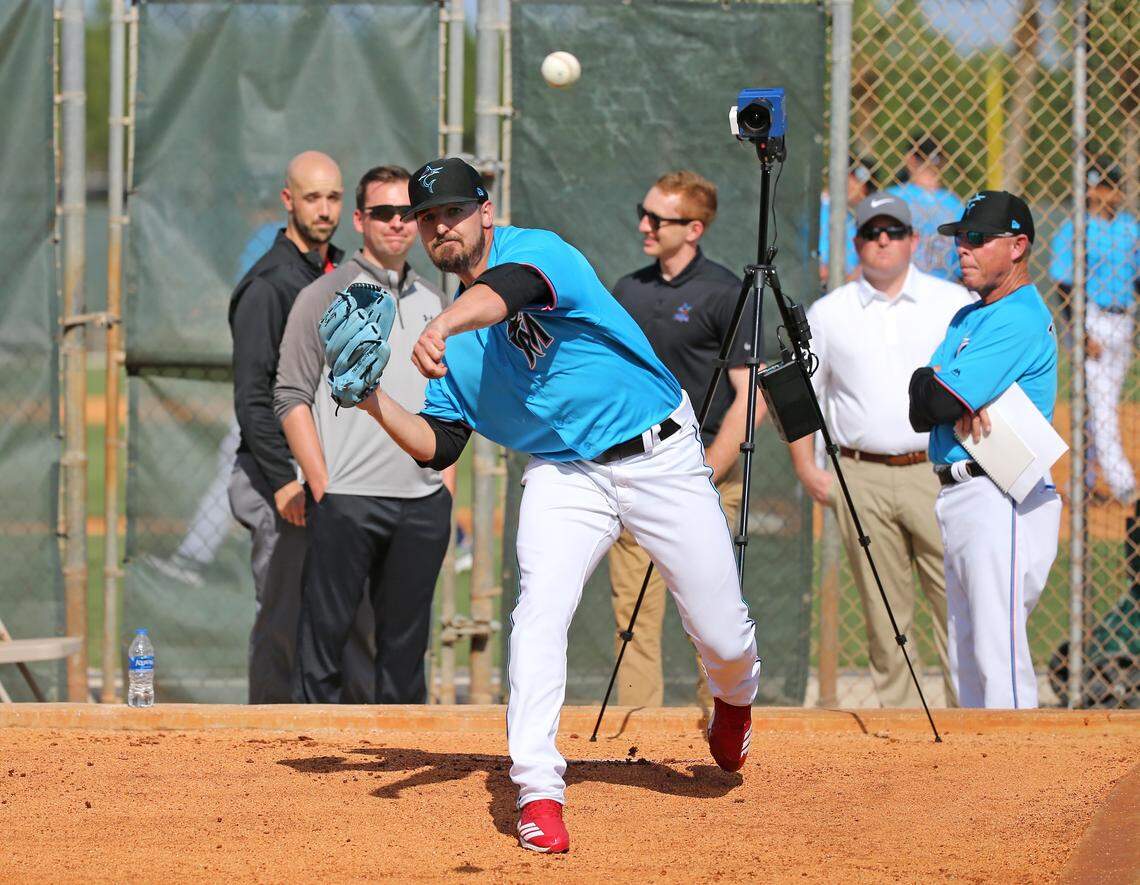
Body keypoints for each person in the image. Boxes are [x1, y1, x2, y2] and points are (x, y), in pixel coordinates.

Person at [337, 157, 761, 853]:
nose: (442, 224)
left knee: (720, 630)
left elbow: (511, 291)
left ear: (486, 212)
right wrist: (373, 401)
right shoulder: (456, 341)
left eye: (454, 210)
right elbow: (439, 444)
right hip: (567, 474)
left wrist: (443, 323)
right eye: (428, 216)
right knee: (539, 609)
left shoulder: (535, 252)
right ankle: (538, 786)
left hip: (658, 452)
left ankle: (735, 695)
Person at [275, 165, 454, 704]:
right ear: (360, 219)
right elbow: (290, 396)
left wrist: (444, 484)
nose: (397, 223)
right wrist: (323, 484)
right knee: (324, 650)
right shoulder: (324, 294)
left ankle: (401, 765)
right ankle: (312, 770)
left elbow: (450, 402)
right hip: (347, 498)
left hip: (421, 503)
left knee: (404, 655)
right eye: (383, 212)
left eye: (410, 213)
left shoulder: (437, 301)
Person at [791, 194, 970, 707]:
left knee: (955, 603)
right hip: (859, 474)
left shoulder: (951, 303)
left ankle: (972, 724)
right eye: (873, 232)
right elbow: (807, 395)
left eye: (894, 231)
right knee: (884, 610)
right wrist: (808, 468)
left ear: (915, 240)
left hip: (936, 468)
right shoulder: (829, 313)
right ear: (856, 244)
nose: (883, 241)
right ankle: (902, 732)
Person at [607, 170, 762, 710]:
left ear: (693, 229)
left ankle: (716, 732)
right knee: (632, 617)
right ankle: (636, 739)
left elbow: (752, 397)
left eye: (658, 218)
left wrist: (705, 470)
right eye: (642, 213)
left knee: (710, 617)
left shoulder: (724, 292)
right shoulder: (629, 290)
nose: (644, 225)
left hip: (704, 479)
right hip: (632, 474)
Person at [908, 190, 1062, 709]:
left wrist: (942, 395)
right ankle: (982, 778)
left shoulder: (1018, 315)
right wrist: (942, 397)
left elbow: (936, 395)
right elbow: (920, 401)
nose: (963, 250)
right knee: (968, 648)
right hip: (962, 491)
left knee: (999, 651)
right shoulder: (967, 317)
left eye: (977, 239)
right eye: (960, 239)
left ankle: (1022, 774)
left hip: (1002, 494)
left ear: (1018, 246)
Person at [227, 150, 349, 703]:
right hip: (281, 482)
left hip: (332, 476)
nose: (324, 210)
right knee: (282, 619)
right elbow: (254, 395)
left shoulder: (338, 271)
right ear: (288, 201)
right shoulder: (269, 285)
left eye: (333, 198)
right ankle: (266, 744)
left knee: (334, 619)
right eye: (312, 198)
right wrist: (283, 479)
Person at [1049, 160, 1139, 505]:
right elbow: (1063, 283)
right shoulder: (1077, 227)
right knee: (1102, 407)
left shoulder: (1129, 228)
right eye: (1099, 187)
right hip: (1093, 320)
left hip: (1124, 320)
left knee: (1102, 403)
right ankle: (1123, 483)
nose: (1104, 194)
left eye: (1110, 187)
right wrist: (1080, 331)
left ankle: (1082, 480)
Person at [888, 136, 963, 281]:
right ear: (944, 162)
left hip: (898, 287)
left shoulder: (891, 198)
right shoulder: (955, 204)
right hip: (944, 289)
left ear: (910, 159)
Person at [819, 156, 876, 285]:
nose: (864, 192)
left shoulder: (851, 216)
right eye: (857, 181)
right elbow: (820, 269)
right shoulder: (821, 209)